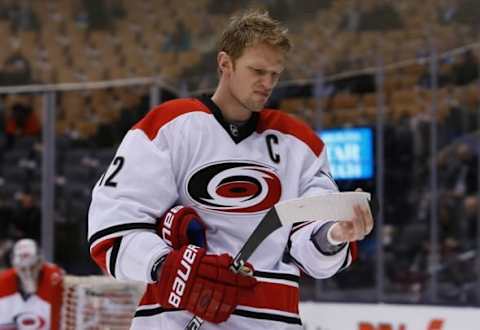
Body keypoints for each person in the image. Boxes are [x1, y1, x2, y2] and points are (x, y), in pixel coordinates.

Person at [88, 10, 374, 329]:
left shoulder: (301, 145)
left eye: (275, 74)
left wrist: (334, 235)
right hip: (175, 319)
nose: (267, 83)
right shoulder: (169, 127)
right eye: (257, 71)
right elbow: (113, 225)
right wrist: (166, 266)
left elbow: (311, 249)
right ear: (225, 63)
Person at [0, 239, 64, 330]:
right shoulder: (3, 285)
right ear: (14, 265)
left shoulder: (56, 282)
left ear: (40, 263)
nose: (28, 274)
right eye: (23, 269)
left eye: (32, 267)